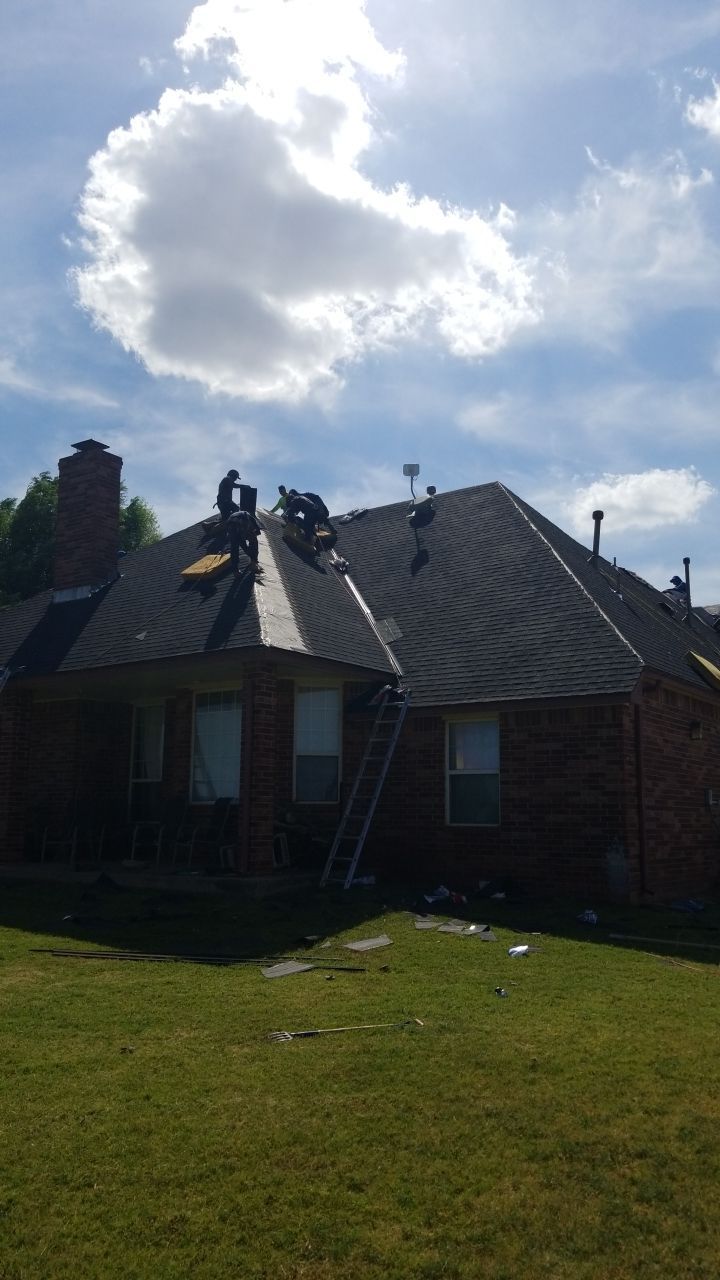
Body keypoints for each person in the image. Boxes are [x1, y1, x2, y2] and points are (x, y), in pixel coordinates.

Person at [226, 509, 263, 576]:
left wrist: (250, 554)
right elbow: (252, 542)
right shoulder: (249, 525)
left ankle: (252, 563)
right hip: (234, 524)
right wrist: (253, 557)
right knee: (235, 548)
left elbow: (251, 541)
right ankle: (250, 565)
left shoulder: (251, 523)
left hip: (232, 522)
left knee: (237, 546)